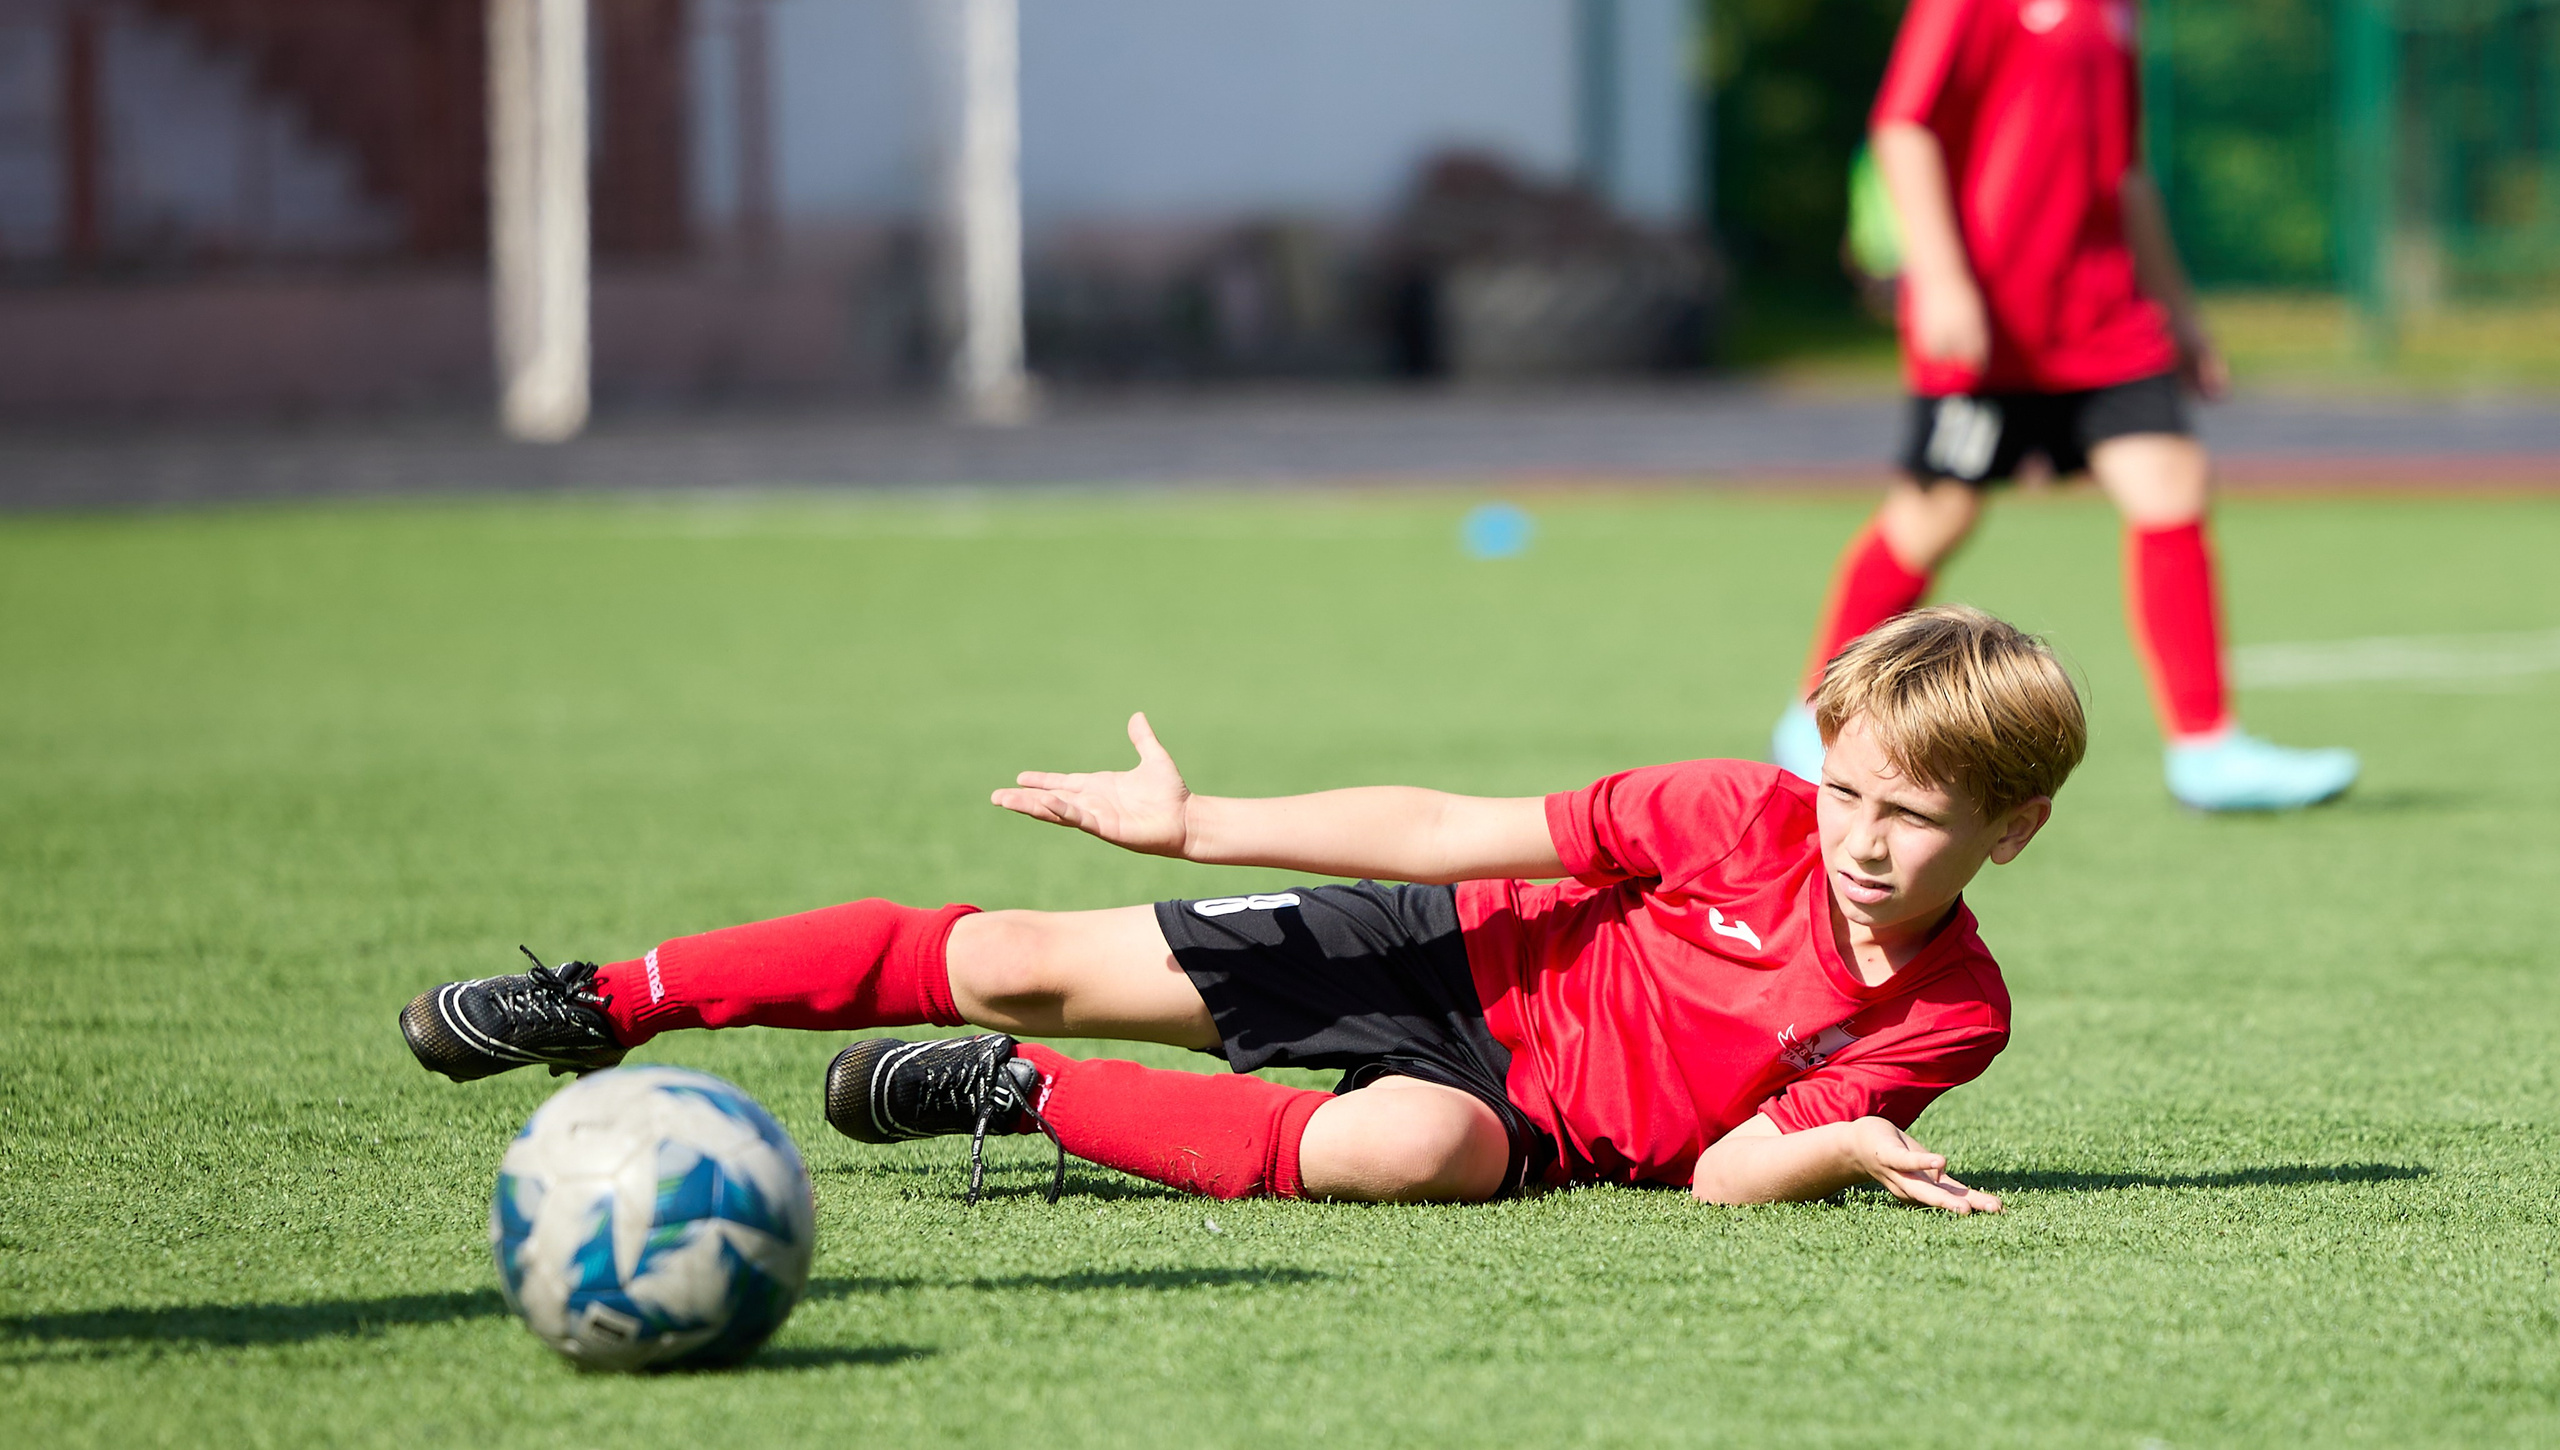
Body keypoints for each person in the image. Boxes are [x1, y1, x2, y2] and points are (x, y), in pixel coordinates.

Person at [405, 606, 2080, 1216]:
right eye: (1847, 789)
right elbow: (1442, 825)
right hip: (1449, 954)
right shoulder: (1738, 814)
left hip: (1540, 1133)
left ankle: (1015, 1102)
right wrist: (1194, 825)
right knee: (1005, 960)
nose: (1858, 837)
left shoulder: (1952, 1015)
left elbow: (1723, 1173)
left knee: (1415, 1154)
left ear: (2010, 831)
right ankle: (607, 998)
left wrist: (1839, 1150)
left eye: (1910, 818)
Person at [1771, 0, 2356, 813]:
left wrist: (2178, 311)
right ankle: (1818, 710)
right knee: (1934, 518)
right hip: (1989, 327)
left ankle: (2205, 746)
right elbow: (1903, 128)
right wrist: (1940, 279)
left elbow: (2123, 171)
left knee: (2171, 484)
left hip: (2100, 320)